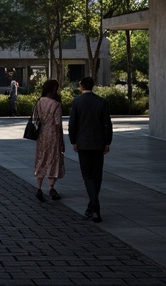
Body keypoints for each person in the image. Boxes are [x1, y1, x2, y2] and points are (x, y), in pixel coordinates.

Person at [68, 76, 113, 223]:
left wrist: (73, 140)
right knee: (97, 174)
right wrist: (107, 142)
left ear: (81, 86)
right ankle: (92, 207)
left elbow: (72, 124)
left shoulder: (77, 102)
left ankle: (95, 206)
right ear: (93, 86)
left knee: (87, 175)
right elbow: (107, 124)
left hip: (83, 143)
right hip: (98, 143)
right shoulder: (101, 102)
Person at [32, 80, 65, 202]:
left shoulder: (39, 102)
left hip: (41, 134)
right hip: (53, 135)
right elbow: (58, 124)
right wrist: (62, 141)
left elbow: (36, 118)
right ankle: (51, 187)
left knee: (41, 158)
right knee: (53, 159)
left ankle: (39, 188)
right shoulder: (56, 104)